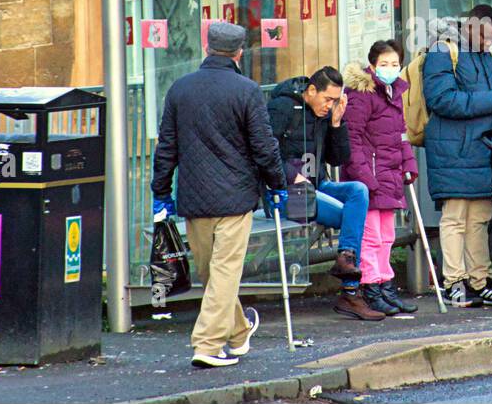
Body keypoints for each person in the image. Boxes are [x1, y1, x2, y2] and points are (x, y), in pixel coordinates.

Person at [151, 22, 286, 368]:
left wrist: (161, 190)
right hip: (236, 197)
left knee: (214, 273)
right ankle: (208, 346)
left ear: (207, 47)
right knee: (222, 273)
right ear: (240, 53)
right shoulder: (247, 90)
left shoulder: (180, 90)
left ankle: (238, 334)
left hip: (195, 199)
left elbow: (167, 146)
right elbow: (264, 146)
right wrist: (277, 183)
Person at [268, 66, 384, 321]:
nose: (329, 104)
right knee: (349, 216)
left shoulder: (324, 115)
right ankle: (351, 291)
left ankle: (345, 261)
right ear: (311, 90)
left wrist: (336, 123)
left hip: (317, 185)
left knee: (358, 190)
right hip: (287, 192)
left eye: (335, 100)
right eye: (327, 99)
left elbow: (338, 158)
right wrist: (290, 175)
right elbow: (265, 149)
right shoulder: (283, 107)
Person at [423, 4, 492, 308]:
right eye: (485, 36)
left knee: (480, 218)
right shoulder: (442, 51)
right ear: (470, 26)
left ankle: (481, 279)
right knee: (455, 218)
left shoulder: (486, 56)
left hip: (483, 150)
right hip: (454, 150)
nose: (489, 42)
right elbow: (442, 99)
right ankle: (454, 281)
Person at [341, 39, 420, 315]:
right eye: (384, 64)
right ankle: (371, 287)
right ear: (372, 65)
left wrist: (408, 164)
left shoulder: (393, 92)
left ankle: (385, 284)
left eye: (395, 64)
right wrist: (365, 177)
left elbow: (401, 134)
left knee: (386, 235)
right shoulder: (362, 94)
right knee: (371, 236)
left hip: (389, 173)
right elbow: (351, 138)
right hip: (370, 176)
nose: (390, 68)